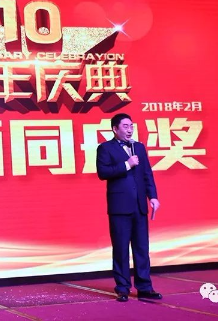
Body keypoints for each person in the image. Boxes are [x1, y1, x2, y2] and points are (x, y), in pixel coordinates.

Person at [96, 113, 162, 302]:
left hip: (139, 206)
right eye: (125, 126)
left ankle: (145, 287)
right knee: (121, 249)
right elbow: (103, 172)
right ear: (115, 129)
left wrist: (153, 196)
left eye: (131, 126)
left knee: (142, 248)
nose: (130, 129)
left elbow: (147, 174)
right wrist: (127, 164)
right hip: (119, 208)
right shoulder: (105, 148)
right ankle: (123, 288)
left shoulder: (138, 147)